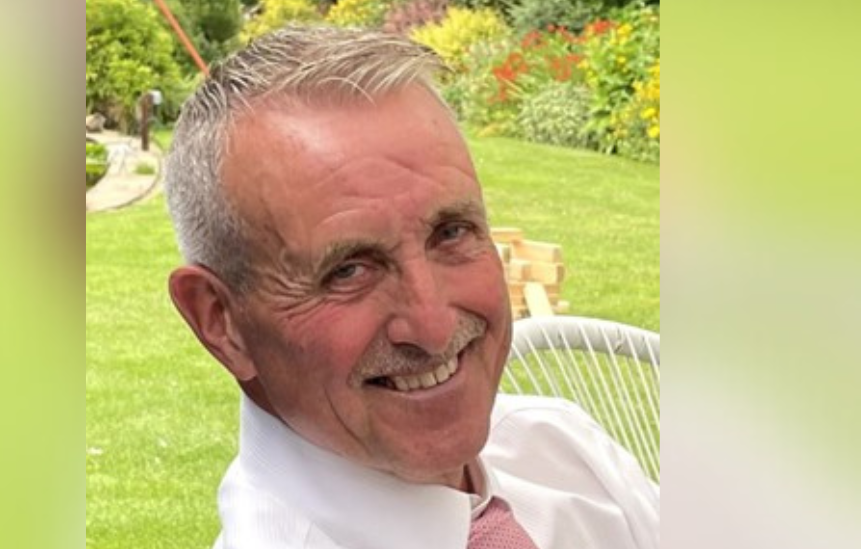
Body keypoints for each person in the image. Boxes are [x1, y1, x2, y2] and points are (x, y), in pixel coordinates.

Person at [164, 25, 658, 549]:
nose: (434, 325)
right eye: (349, 270)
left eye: (451, 233)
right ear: (221, 322)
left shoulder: (558, 448)